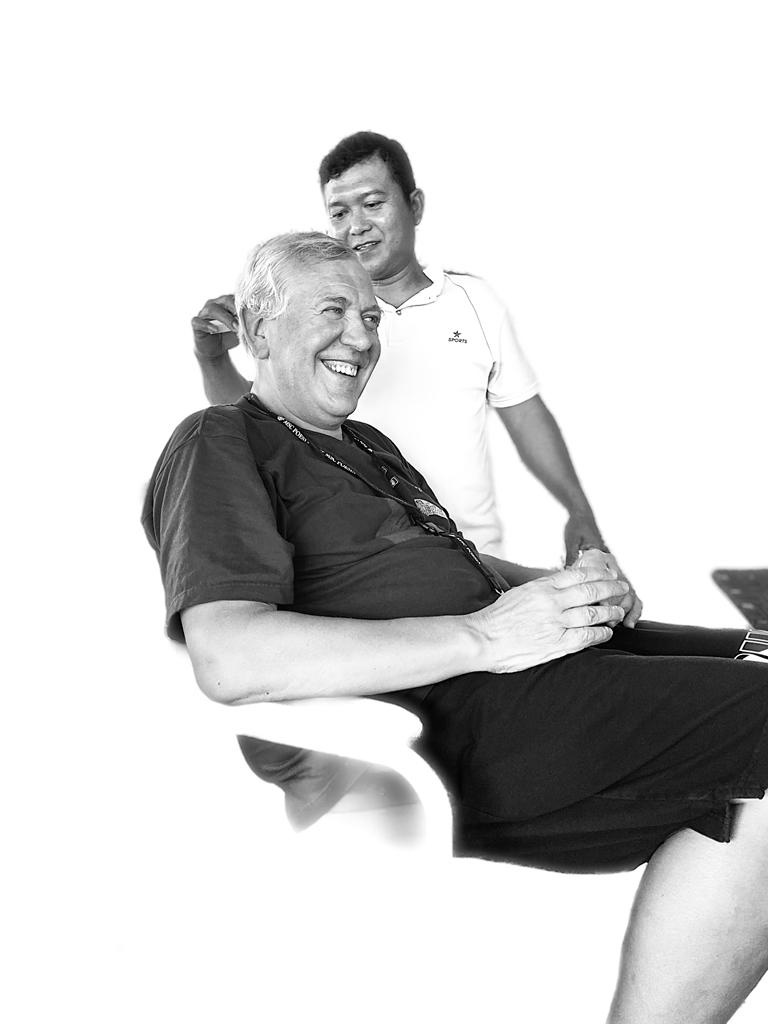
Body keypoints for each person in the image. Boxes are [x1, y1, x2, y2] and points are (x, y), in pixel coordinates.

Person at [145, 232, 768, 1023]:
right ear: (260, 332)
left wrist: (566, 587)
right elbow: (230, 657)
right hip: (461, 722)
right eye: (333, 311)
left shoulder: (367, 446)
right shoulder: (217, 441)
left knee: (761, 654)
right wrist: (488, 637)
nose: (362, 338)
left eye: (371, 317)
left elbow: (447, 562)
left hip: (542, 661)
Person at [191, 130, 644, 625]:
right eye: (338, 213)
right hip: (367, 574)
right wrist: (213, 359)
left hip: (476, 567)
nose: (356, 226)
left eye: (372, 204)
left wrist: (579, 513)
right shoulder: (304, 315)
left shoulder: (474, 303)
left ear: (414, 205)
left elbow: (526, 416)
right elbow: (261, 423)